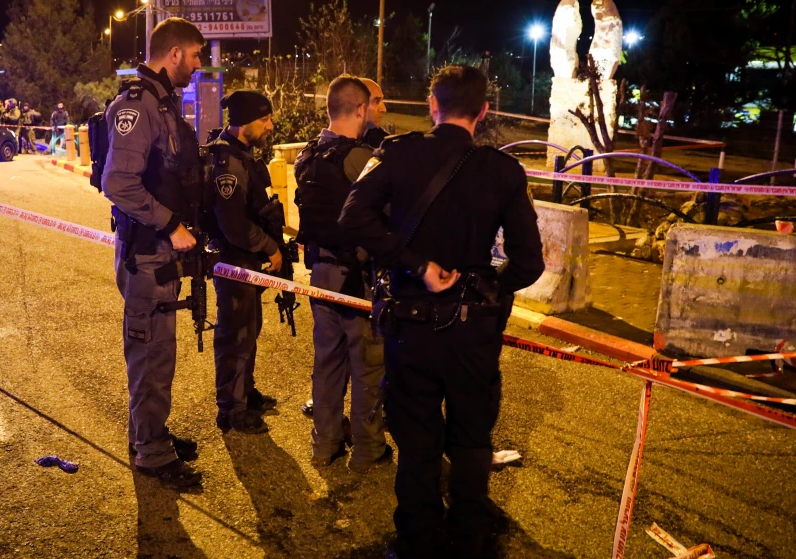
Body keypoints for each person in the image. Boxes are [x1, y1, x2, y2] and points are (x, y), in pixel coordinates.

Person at [339, 65, 545, 558]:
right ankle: (469, 537)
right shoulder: (503, 170)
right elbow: (530, 262)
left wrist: (416, 264)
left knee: (416, 440)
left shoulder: (397, 152)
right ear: (484, 111)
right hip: (473, 331)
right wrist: (487, 283)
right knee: (472, 438)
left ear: (433, 106)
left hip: (411, 326)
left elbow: (353, 218)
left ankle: (416, 541)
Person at [101, 17, 207, 489]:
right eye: (196, 55)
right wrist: (171, 225)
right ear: (175, 54)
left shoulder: (160, 103)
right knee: (152, 354)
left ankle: (148, 432)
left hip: (157, 254)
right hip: (147, 253)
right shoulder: (138, 105)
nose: (199, 64)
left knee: (155, 353)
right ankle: (151, 452)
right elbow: (117, 183)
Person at [293, 75, 390, 471]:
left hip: (320, 273)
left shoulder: (308, 154)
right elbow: (386, 213)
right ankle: (368, 450)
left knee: (327, 362)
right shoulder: (360, 159)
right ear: (360, 109)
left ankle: (325, 444)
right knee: (367, 363)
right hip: (356, 276)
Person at [203, 89, 280, 434]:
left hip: (247, 264)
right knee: (235, 334)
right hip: (235, 263)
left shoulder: (242, 154)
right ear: (245, 122)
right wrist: (269, 247)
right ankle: (231, 409)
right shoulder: (228, 164)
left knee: (250, 329)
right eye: (264, 119)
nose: (270, 125)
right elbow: (234, 227)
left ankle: (245, 393)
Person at [359, 78, 389, 148]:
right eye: (376, 101)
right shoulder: (333, 145)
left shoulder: (384, 144)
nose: (384, 109)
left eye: (382, 100)